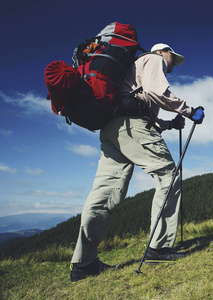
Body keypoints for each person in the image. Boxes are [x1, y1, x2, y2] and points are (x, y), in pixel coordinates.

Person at [69, 43, 205, 282]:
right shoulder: (154, 60)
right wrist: (188, 110)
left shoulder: (130, 70)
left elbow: (141, 108)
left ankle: (84, 262)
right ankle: (159, 248)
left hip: (112, 129)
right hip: (131, 126)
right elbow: (156, 92)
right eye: (173, 57)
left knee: (104, 192)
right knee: (168, 175)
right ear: (164, 51)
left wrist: (170, 124)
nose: (173, 62)